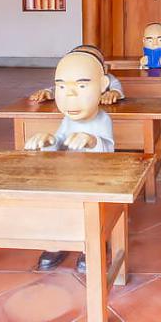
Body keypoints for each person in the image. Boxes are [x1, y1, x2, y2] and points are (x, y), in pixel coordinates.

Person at [24, 50, 115, 272]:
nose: (70, 95)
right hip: (67, 176)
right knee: (56, 205)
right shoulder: (67, 120)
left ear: (103, 85)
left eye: (81, 86)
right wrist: (49, 141)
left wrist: (92, 141)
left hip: (94, 180)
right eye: (62, 87)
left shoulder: (103, 119)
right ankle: (58, 240)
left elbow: (109, 149)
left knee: (91, 211)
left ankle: (93, 245)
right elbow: (60, 143)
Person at [28, 44, 125, 105]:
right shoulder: (70, 78)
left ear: (104, 69)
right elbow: (59, 88)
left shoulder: (109, 79)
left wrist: (114, 93)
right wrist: (48, 92)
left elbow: (117, 88)